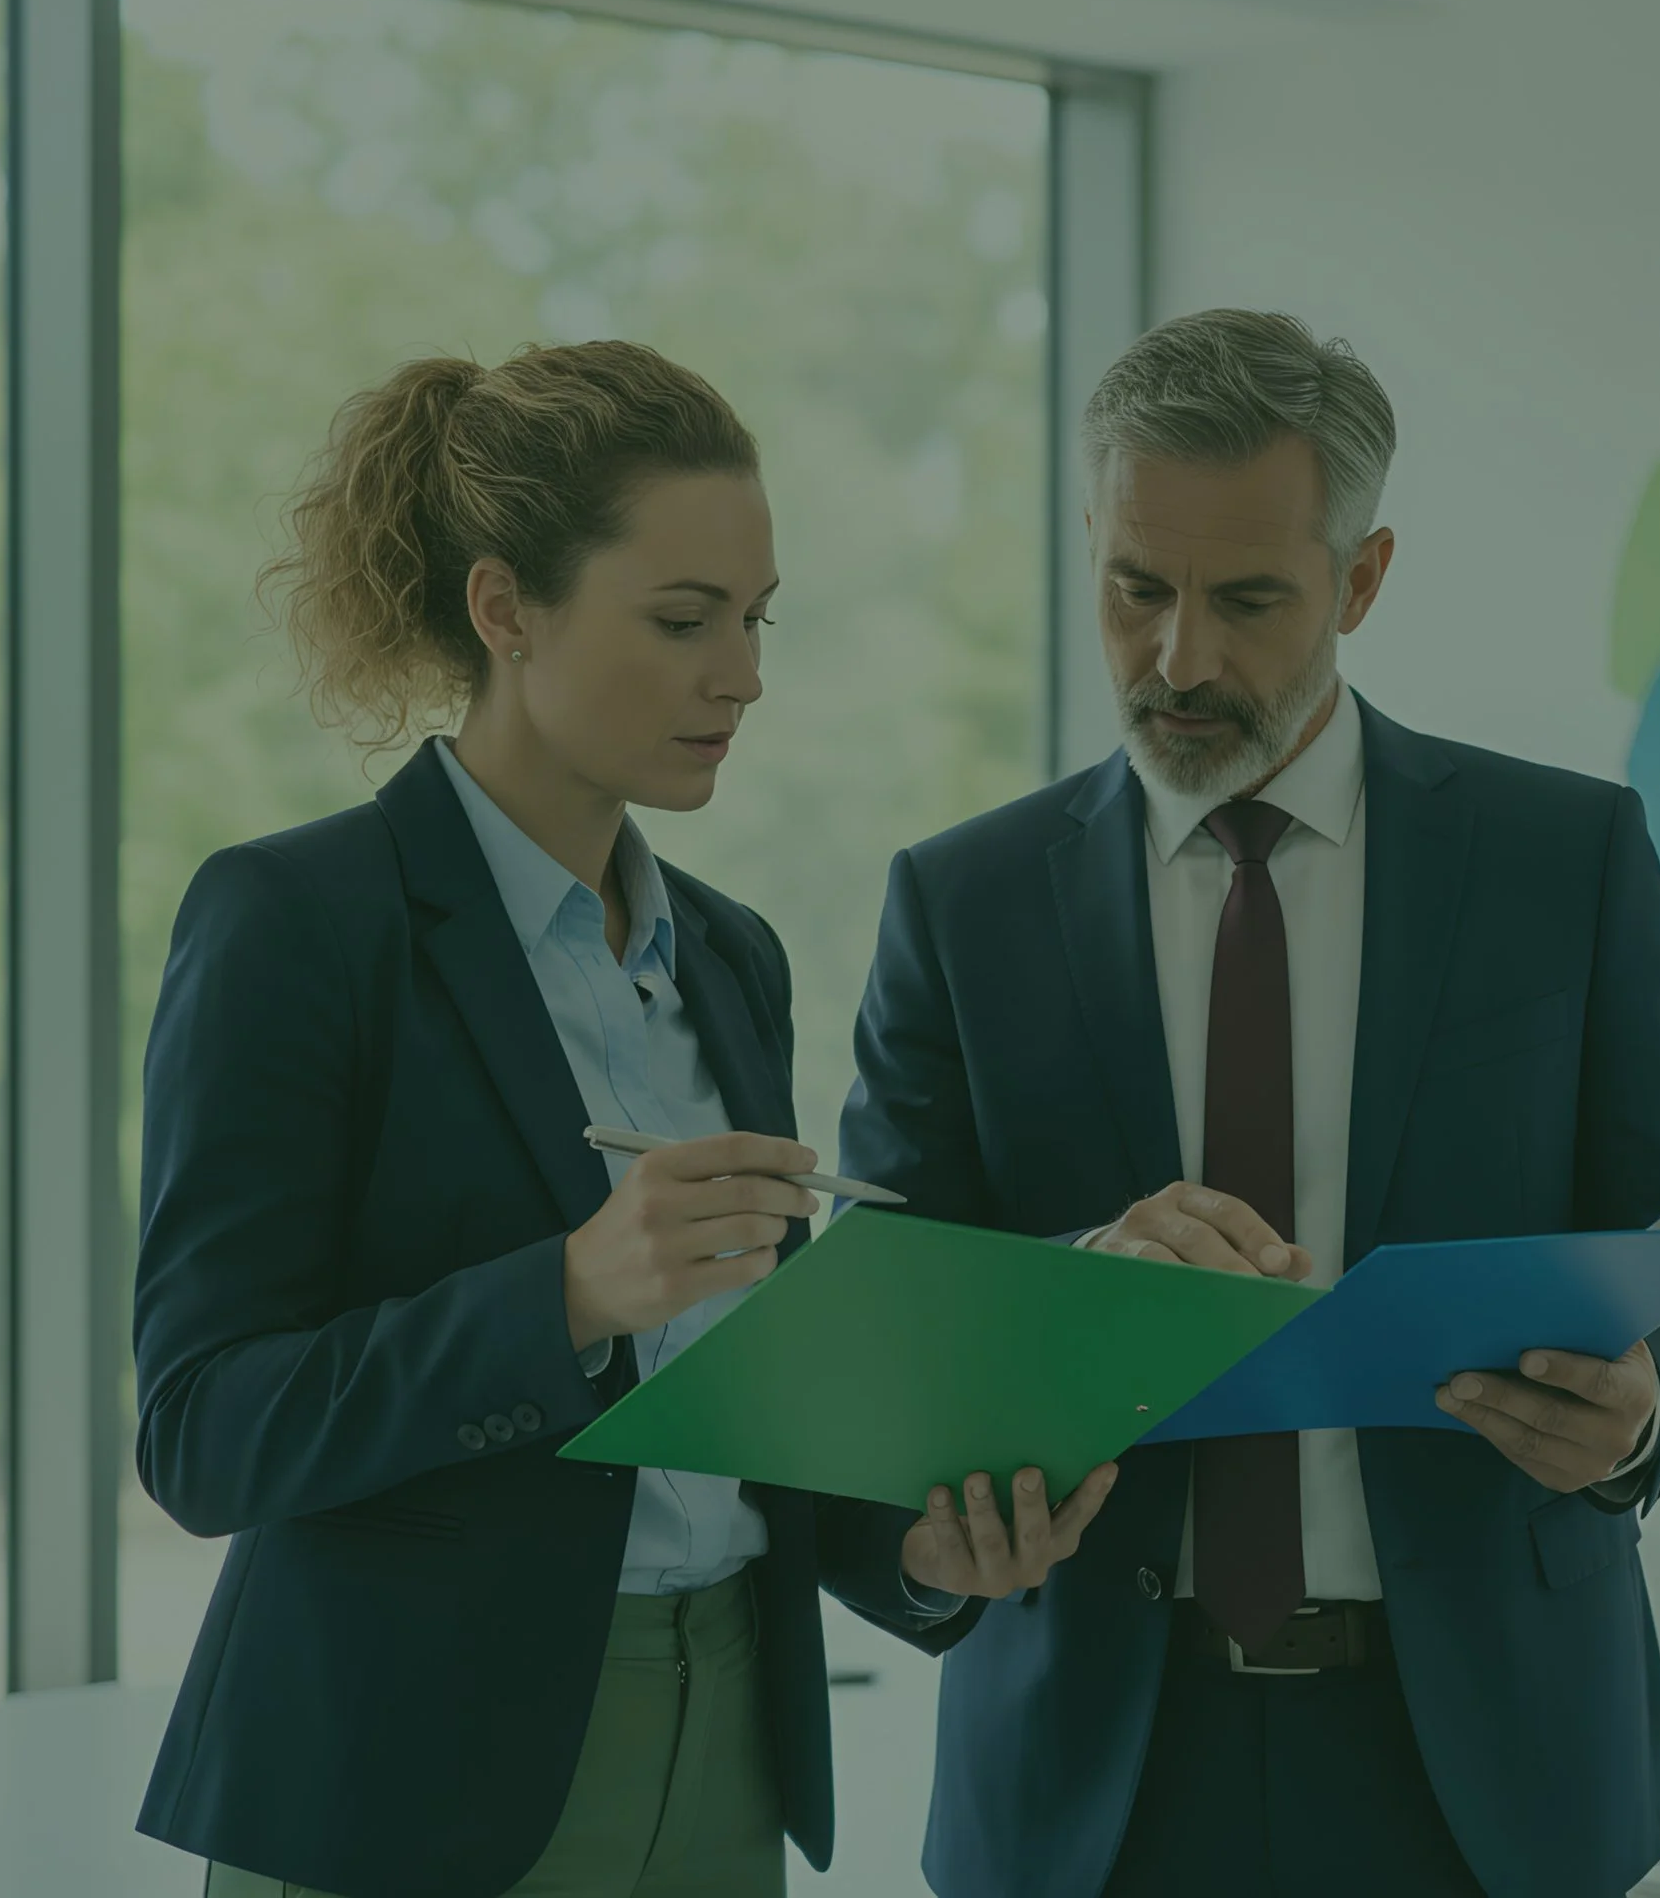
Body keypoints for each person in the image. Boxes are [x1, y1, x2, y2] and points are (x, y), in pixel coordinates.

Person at [131, 340, 1115, 1898]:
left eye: (754, 619)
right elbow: (204, 1432)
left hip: (728, 1755)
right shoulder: (299, 924)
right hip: (407, 1777)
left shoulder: (731, 958)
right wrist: (572, 1291)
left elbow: (746, 1435)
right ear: (505, 608)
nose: (742, 674)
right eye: (682, 620)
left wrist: (927, 1558)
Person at [840, 309, 1660, 1898]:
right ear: (1090, 542)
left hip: (1483, 1773)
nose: (1180, 657)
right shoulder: (963, 901)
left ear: (1361, 579)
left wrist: (1642, 1415)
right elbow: (873, 1317)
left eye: (1250, 599)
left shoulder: (1565, 864)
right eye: (1137, 588)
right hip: (1091, 1778)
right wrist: (1063, 1305)